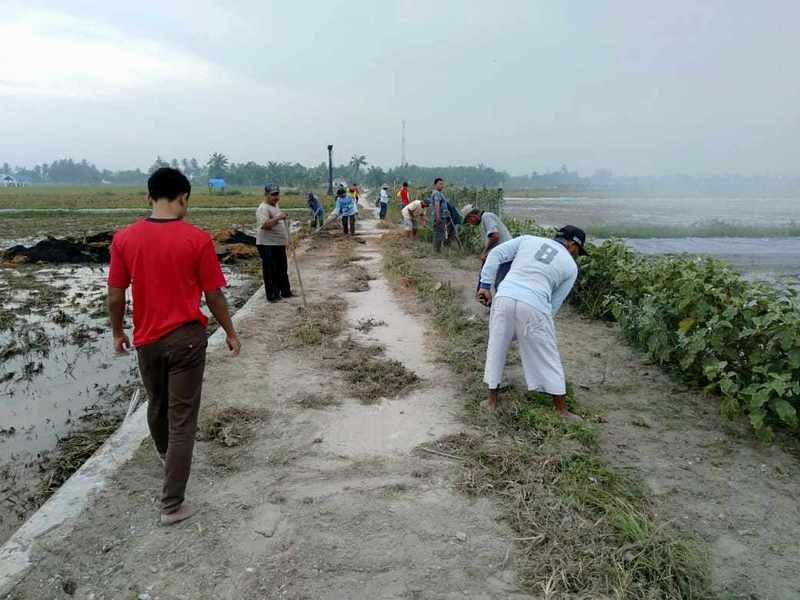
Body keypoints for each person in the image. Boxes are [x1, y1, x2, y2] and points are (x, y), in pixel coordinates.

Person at [107, 167, 241, 526]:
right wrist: (230, 331)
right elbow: (213, 294)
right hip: (186, 340)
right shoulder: (196, 239)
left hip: (146, 341)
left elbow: (116, 294)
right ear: (184, 197)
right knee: (183, 420)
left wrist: (117, 331)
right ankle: (172, 505)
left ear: (149, 197)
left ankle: (168, 459)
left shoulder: (124, 239)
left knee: (158, 405)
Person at [477, 226, 588, 417]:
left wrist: (485, 285)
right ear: (572, 245)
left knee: (496, 348)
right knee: (548, 356)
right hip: (535, 304)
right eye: (578, 250)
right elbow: (553, 304)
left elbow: (495, 254)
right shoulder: (570, 266)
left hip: (504, 296)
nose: (577, 254)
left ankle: (491, 402)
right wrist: (532, 329)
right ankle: (561, 411)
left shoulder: (527, 240)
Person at [461, 204, 513, 288]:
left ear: (472, 216)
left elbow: (495, 236)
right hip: (503, 253)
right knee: (497, 281)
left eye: (469, 221)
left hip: (507, 254)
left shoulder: (487, 217)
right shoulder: (484, 219)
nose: (471, 223)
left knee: (500, 284)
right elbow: (491, 240)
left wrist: (485, 252)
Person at [256, 184, 293, 302]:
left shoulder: (275, 206)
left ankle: (285, 292)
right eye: (273, 195)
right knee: (271, 270)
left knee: (282, 268)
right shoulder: (263, 208)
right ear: (266, 195)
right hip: (267, 244)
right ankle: (272, 295)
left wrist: (282, 218)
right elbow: (265, 225)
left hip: (278, 243)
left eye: (277, 194)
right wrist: (278, 218)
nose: (276, 197)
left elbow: (277, 220)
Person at [430, 177, 456, 252]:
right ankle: (436, 251)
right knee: (438, 233)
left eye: (442, 184)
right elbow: (437, 205)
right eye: (440, 184)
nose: (442, 186)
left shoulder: (439, 193)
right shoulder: (436, 193)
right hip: (440, 217)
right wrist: (438, 217)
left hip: (443, 217)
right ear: (435, 185)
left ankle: (437, 250)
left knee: (440, 233)